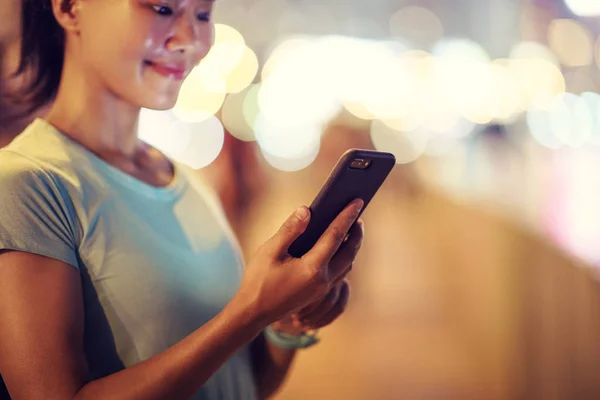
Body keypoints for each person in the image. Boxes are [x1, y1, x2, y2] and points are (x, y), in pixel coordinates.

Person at [0, 1, 365, 399]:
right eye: (161, 8)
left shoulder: (187, 180)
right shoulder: (26, 184)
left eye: (203, 15)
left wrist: (283, 326)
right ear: (70, 8)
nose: (191, 40)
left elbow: (239, 386)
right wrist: (250, 312)